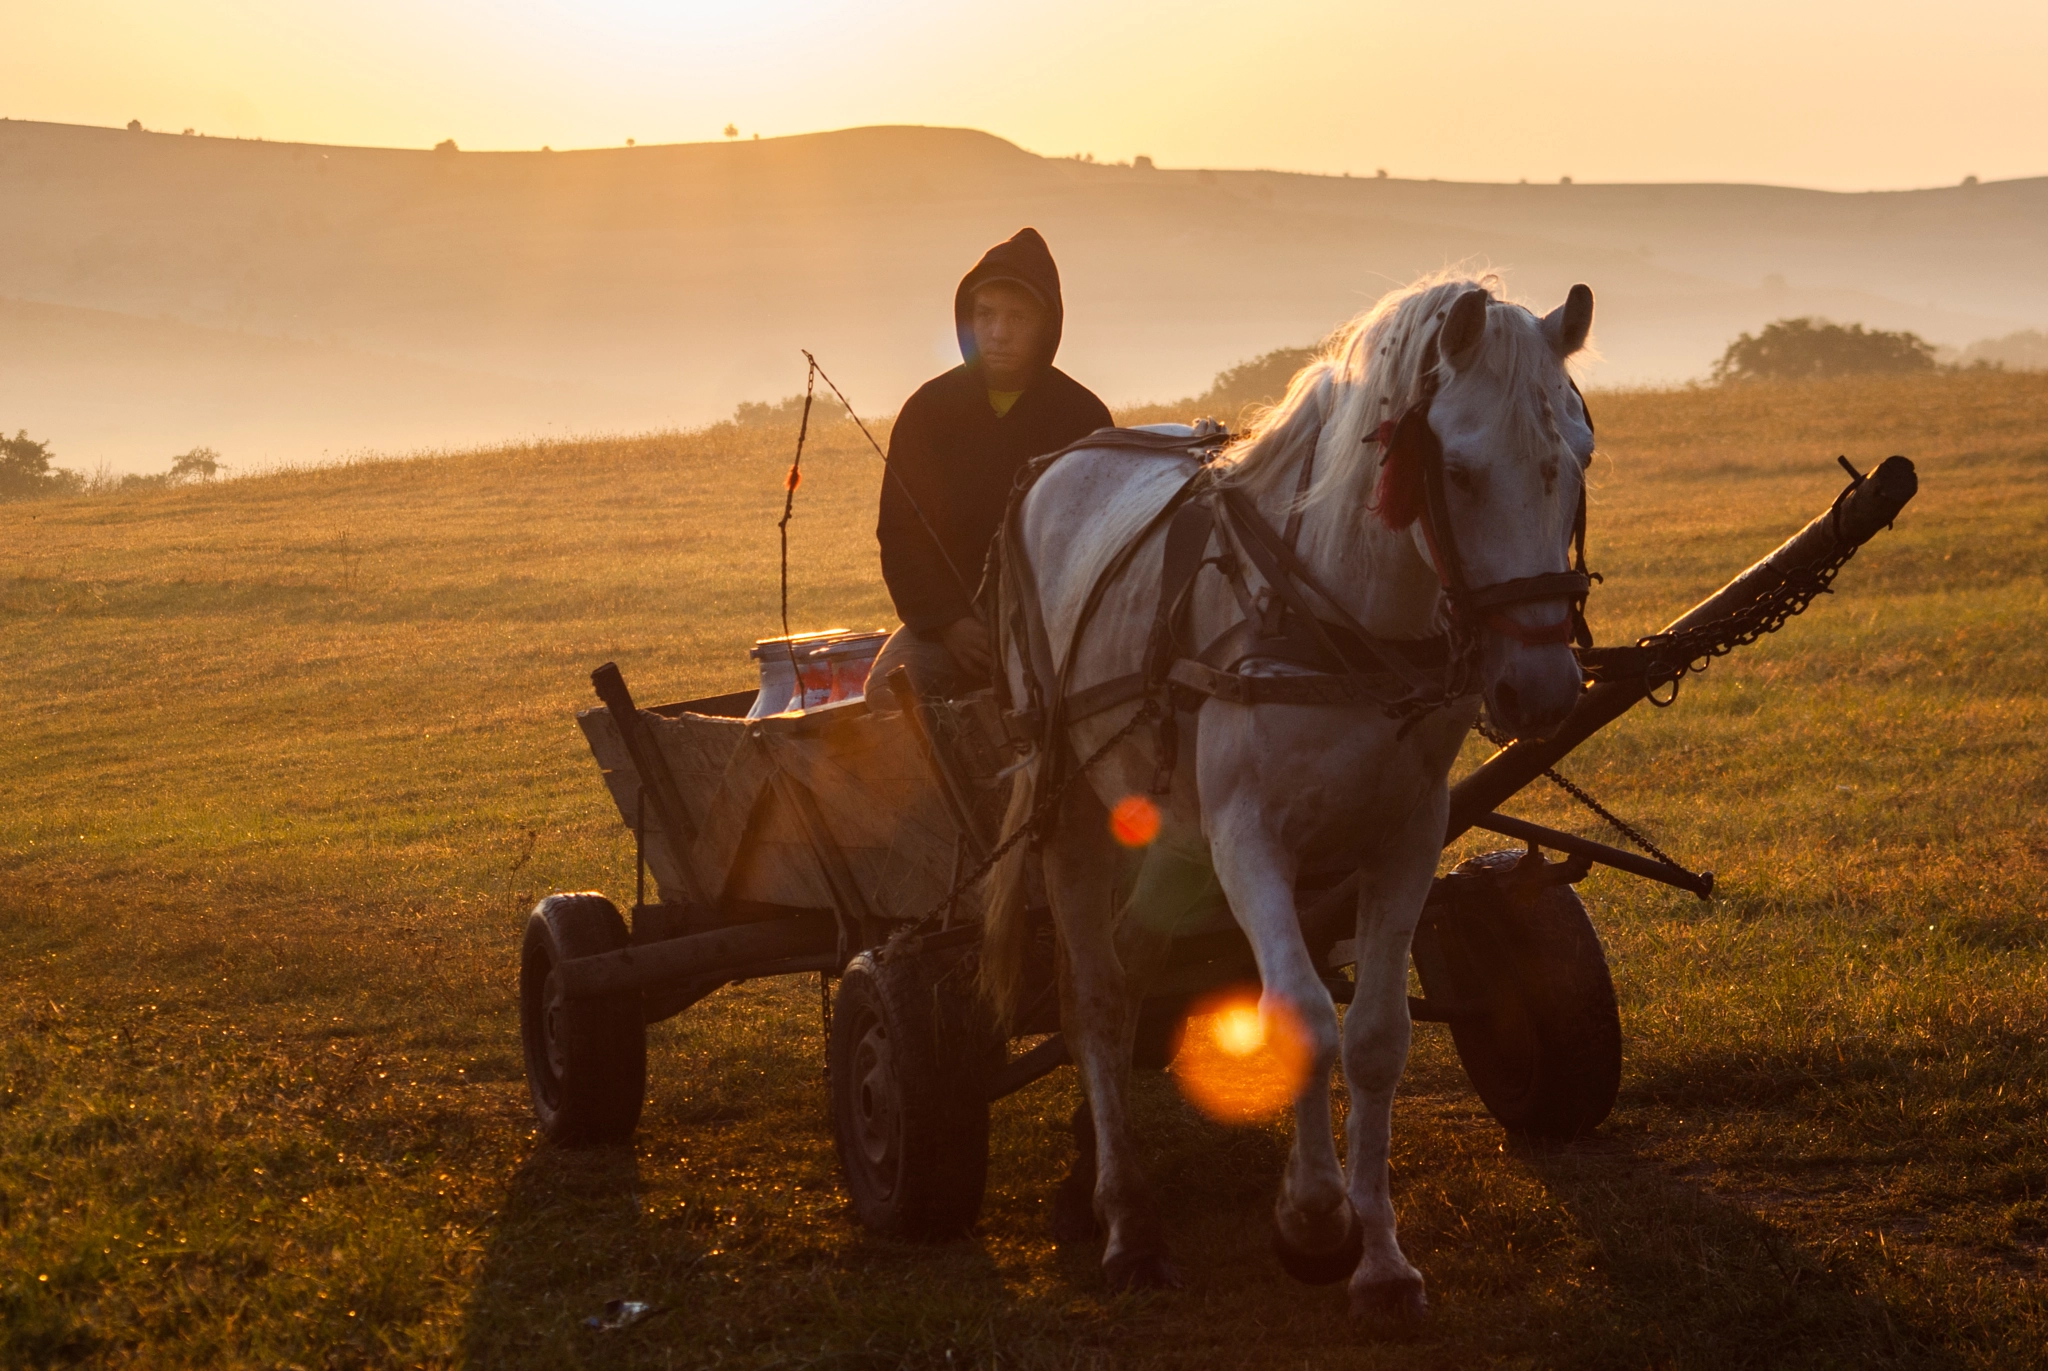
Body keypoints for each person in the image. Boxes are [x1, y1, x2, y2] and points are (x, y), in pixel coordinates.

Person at [870, 227, 1113, 697]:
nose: (999, 333)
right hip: (948, 628)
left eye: (1018, 317)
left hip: (1058, 629)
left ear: (1048, 326)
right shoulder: (928, 411)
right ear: (968, 319)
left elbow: (1103, 541)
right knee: (888, 692)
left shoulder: (1082, 418)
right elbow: (901, 534)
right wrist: (948, 624)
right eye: (986, 315)